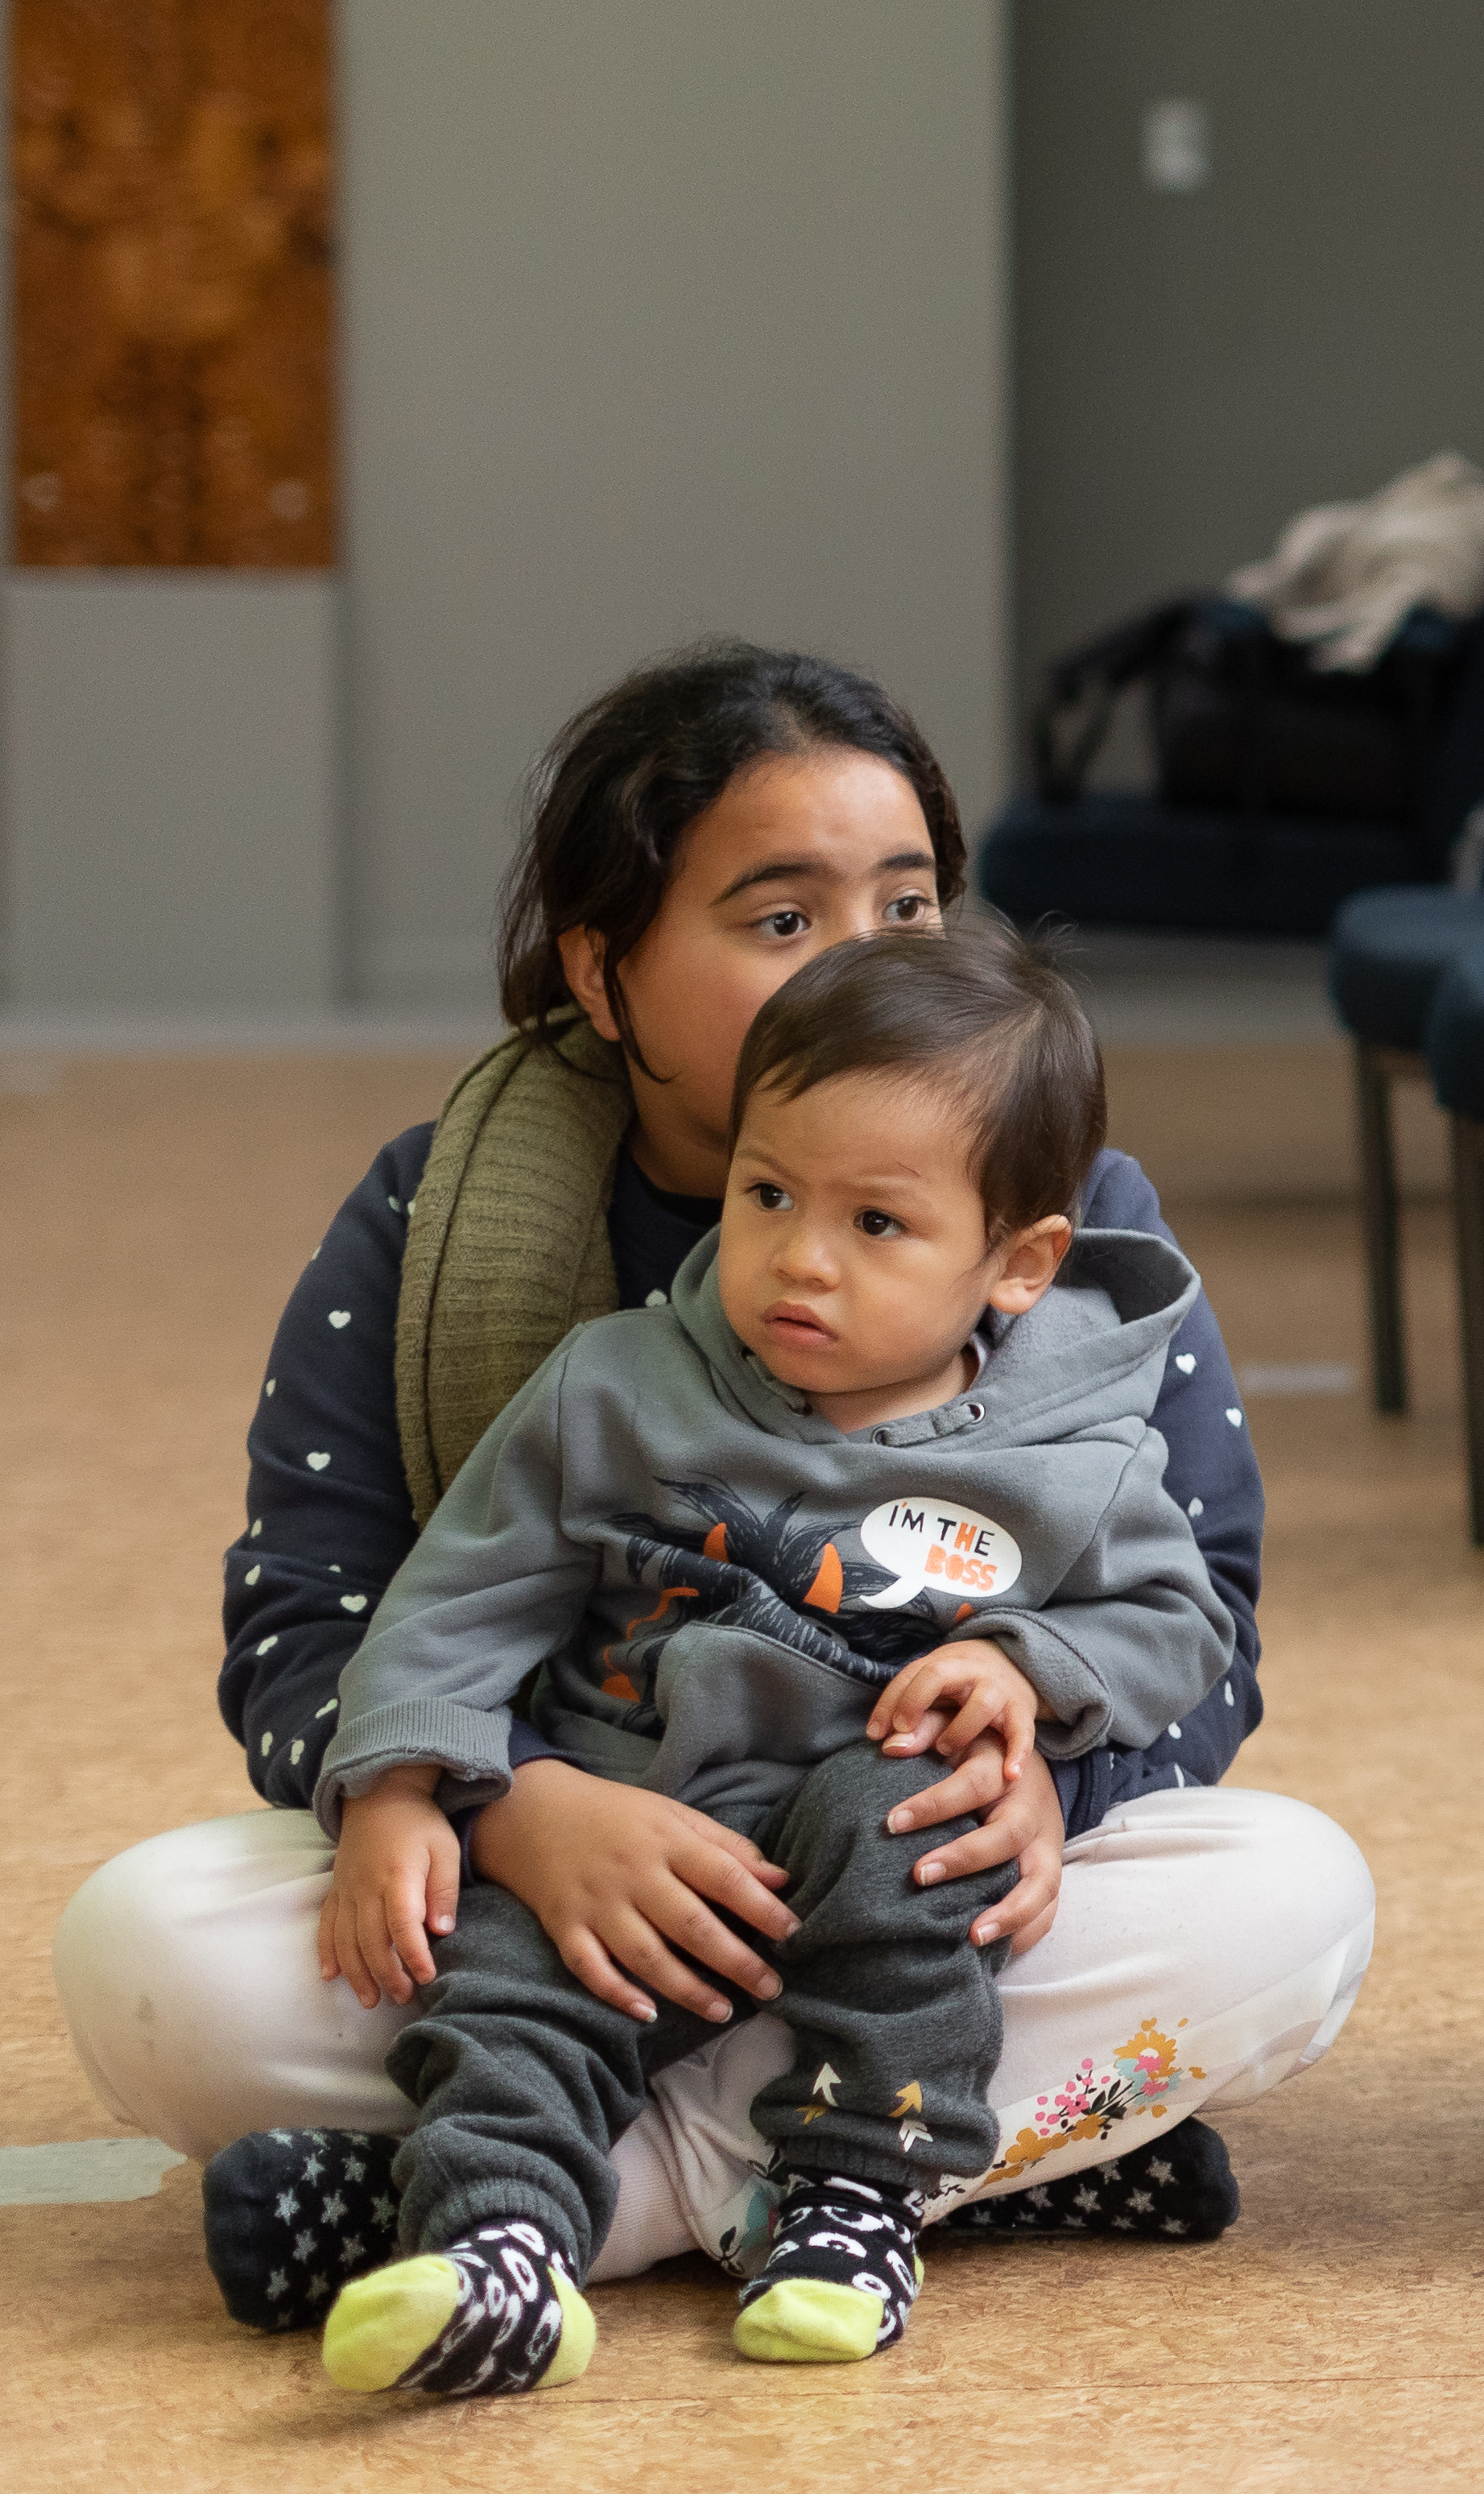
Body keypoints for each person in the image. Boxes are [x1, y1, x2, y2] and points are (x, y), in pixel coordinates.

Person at [52, 645, 1376, 2311]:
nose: (864, 966)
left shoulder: (1067, 1213)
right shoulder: (436, 1217)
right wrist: (513, 1806)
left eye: (909, 908)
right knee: (147, 1952)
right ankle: (926, 2164)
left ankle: (541, 2201)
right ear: (602, 970)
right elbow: (307, 1631)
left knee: (1293, 1900)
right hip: (562, 1877)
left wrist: (1034, 1783)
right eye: (781, 918)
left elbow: (1202, 1626)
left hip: (913, 1888)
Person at [262, 918, 1234, 2395]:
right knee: (493, 1989)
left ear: (1021, 1263)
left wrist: (1031, 1676)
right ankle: (500, 2256)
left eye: (877, 1225)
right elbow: (460, 1594)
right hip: (625, 1838)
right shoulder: (615, 1383)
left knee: (1124, 1876)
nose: (797, 1260)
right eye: (767, 1192)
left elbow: (1180, 1623)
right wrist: (406, 1791)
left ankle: (851, 2199)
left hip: (876, 1844)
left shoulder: (1079, 1445)